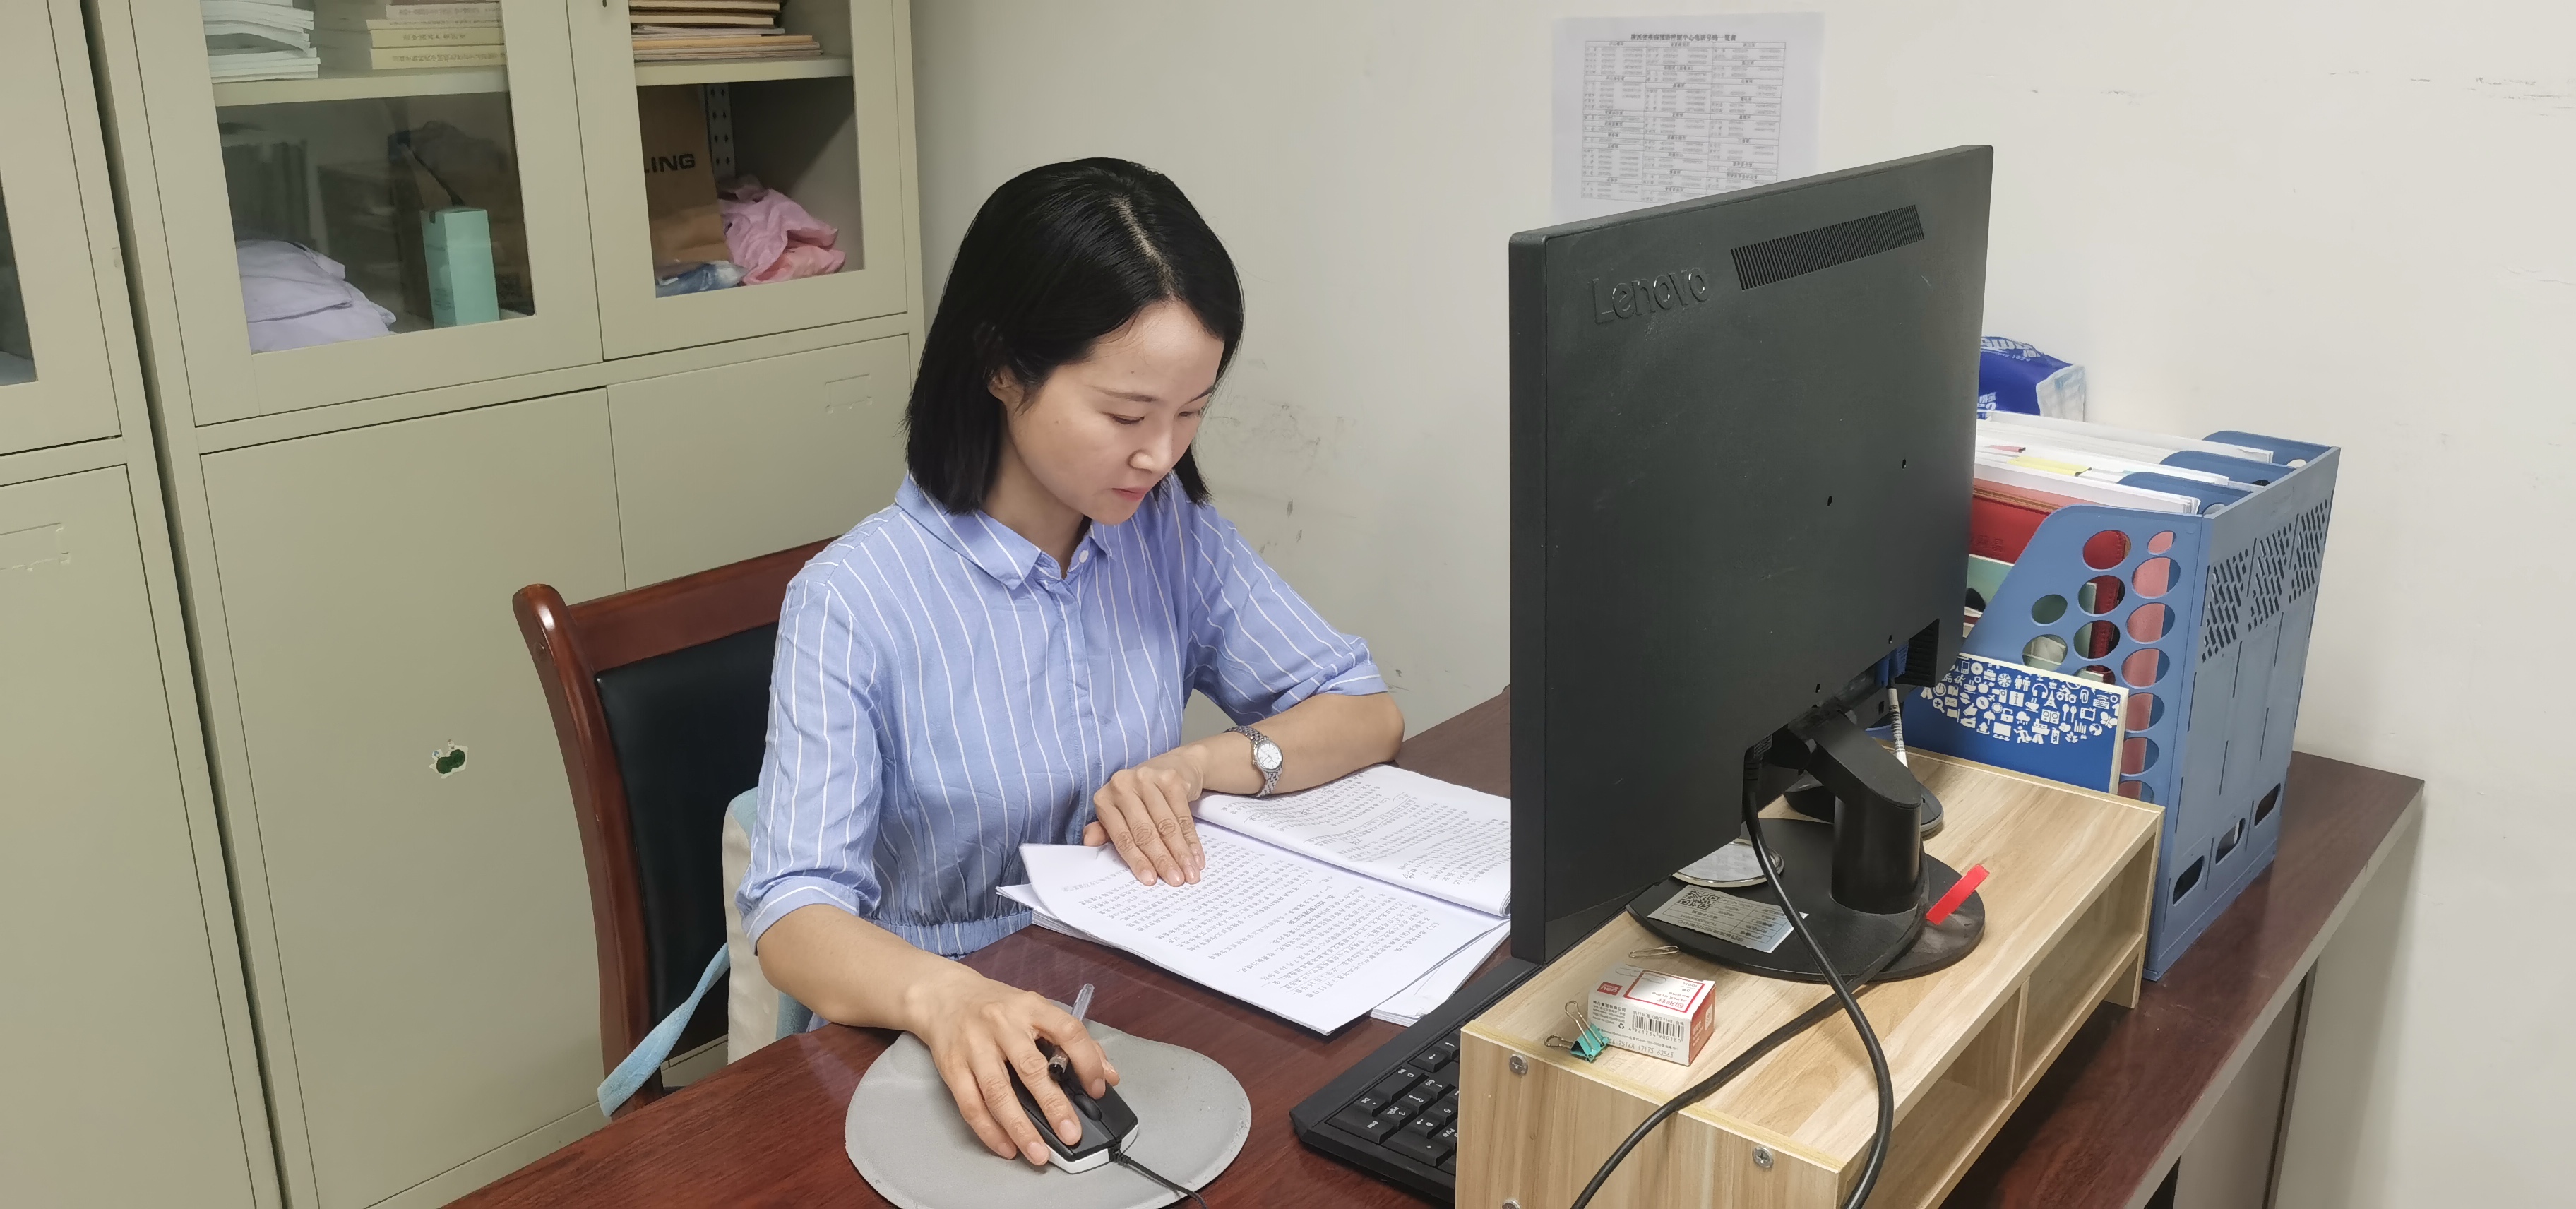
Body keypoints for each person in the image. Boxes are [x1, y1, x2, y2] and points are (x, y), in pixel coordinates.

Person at [739, 159, 1403, 1167]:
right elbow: (793, 912)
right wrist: (948, 997)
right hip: (937, 1038)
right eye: (1127, 416)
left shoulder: (1165, 533)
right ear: (1002, 369)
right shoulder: (854, 599)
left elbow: (1362, 710)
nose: (1161, 455)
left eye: (1192, 412)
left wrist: (1196, 766)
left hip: (1130, 995)